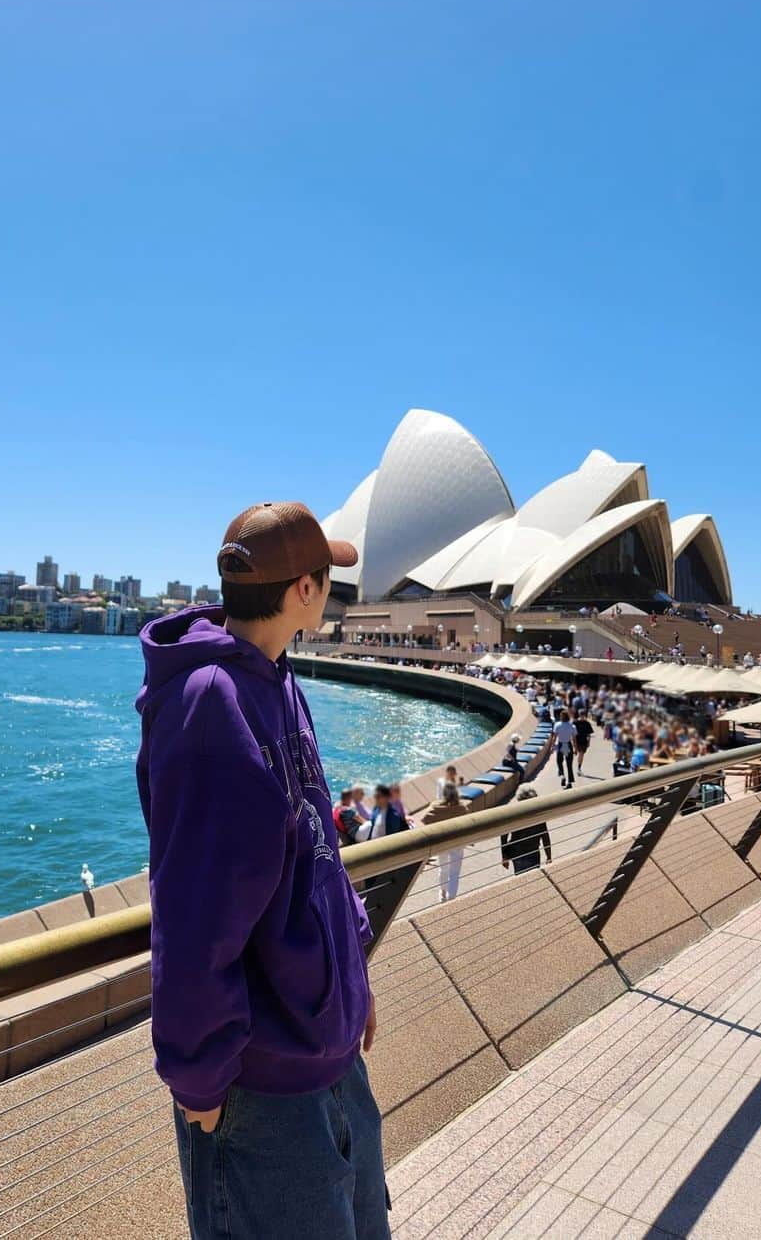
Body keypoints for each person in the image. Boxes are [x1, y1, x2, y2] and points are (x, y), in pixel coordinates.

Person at [135, 501, 389, 1240]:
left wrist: (355, 978)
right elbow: (193, 911)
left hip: (331, 1057)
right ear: (303, 592)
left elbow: (317, 849)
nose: (332, 592)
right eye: (327, 578)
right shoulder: (208, 702)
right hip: (262, 1090)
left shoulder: (278, 681)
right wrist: (199, 1074)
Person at [420, 782, 471, 902]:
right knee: (454, 872)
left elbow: (424, 819)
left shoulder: (436, 806)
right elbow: (468, 822)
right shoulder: (462, 807)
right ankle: (451, 898)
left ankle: (442, 894)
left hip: (441, 842)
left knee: (443, 869)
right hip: (457, 843)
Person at [500, 788, 553, 874]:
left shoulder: (514, 814)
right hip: (526, 853)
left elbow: (504, 835)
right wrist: (548, 856)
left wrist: (504, 856)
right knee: (531, 878)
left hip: (525, 853)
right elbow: (545, 836)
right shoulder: (539, 815)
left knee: (526, 878)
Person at [553, 708, 577, 788]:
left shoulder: (557, 725)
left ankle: (562, 775)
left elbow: (554, 737)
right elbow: (574, 739)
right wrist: (575, 748)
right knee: (569, 764)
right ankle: (569, 782)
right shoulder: (572, 726)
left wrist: (552, 746)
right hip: (568, 744)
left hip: (561, 744)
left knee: (559, 761)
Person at [573, 710, 594, 777]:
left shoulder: (587, 723)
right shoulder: (575, 723)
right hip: (577, 740)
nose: (582, 716)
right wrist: (573, 743)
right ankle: (579, 768)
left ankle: (579, 767)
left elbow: (589, 734)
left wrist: (588, 742)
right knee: (581, 754)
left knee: (581, 754)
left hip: (583, 741)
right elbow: (572, 734)